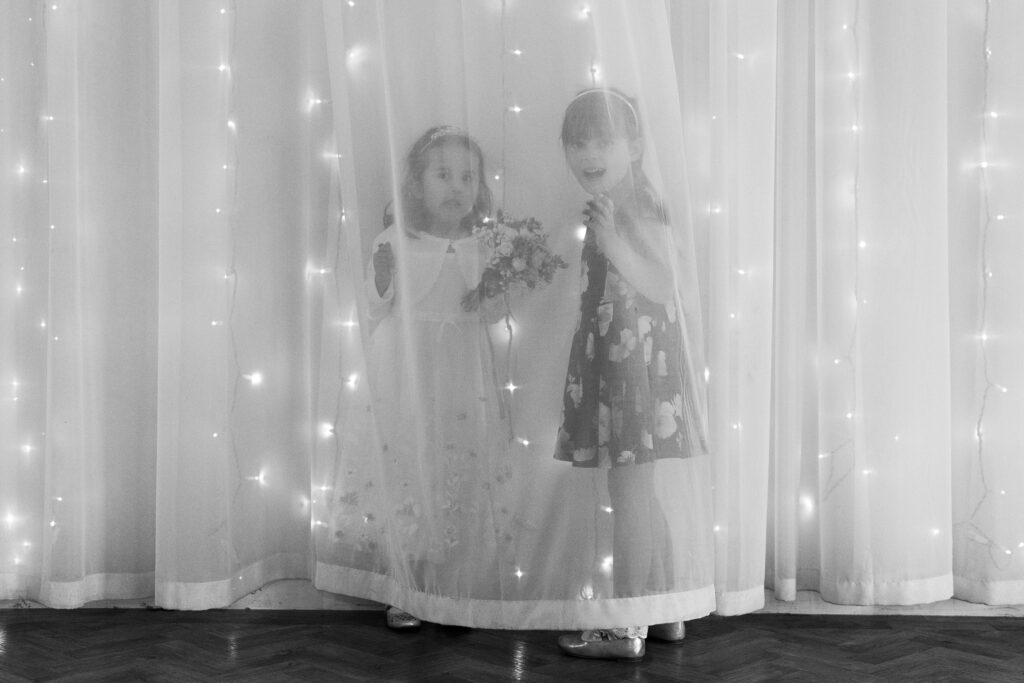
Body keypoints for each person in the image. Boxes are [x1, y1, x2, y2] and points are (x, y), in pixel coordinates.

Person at [553, 88, 700, 660]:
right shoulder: (618, 196)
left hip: (636, 363)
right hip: (622, 357)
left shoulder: (634, 202)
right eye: (578, 141)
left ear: (635, 145)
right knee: (639, 490)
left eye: (605, 139)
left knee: (630, 493)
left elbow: (664, 286)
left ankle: (625, 625)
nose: (590, 153)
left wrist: (612, 241)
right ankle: (664, 611)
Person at [344, 125, 509, 631]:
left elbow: (495, 308)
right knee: (411, 464)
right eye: (442, 175)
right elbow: (375, 305)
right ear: (416, 184)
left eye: (467, 177)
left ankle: (453, 584)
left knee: (457, 462)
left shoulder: (486, 241)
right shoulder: (396, 239)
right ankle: (407, 583)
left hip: (462, 369)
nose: (456, 187)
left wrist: (509, 270)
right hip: (407, 370)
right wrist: (382, 275)